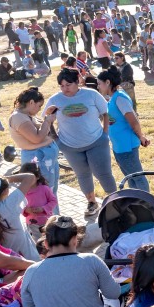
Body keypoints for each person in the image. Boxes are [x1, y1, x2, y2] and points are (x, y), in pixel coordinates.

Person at [21, 215, 122, 307]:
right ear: (75, 240)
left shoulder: (31, 271)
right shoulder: (92, 260)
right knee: (112, 299)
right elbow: (114, 293)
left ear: (45, 244)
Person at [45, 68, 117, 217]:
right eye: (62, 86)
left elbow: (105, 113)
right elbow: (46, 120)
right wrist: (56, 138)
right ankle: (92, 202)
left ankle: (115, 200)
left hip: (96, 141)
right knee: (82, 174)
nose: (65, 89)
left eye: (68, 85)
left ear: (77, 81)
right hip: (69, 146)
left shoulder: (91, 94)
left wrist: (105, 134)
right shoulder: (55, 100)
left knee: (103, 173)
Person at [97, 66, 151, 192]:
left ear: (108, 82)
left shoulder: (120, 98)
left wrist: (141, 136)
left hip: (127, 146)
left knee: (137, 177)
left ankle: (146, 203)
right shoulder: (111, 99)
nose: (98, 87)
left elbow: (133, 120)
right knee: (130, 177)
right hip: (119, 146)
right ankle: (137, 201)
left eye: (99, 83)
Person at [8, 87, 61, 196]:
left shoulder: (27, 115)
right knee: (43, 194)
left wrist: (47, 116)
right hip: (38, 160)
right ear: (31, 102)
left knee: (50, 193)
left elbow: (44, 130)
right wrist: (47, 121)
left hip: (45, 160)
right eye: (39, 106)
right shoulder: (18, 117)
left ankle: (52, 212)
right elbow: (36, 138)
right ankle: (48, 213)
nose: (39, 109)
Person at [0, 174, 40, 261]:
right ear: (5, 191)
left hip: (9, 262)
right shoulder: (9, 204)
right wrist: (6, 178)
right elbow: (30, 177)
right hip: (28, 259)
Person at [18, 161, 58, 229]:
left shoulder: (44, 189)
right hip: (31, 223)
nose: (27, 180)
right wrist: (26, 210)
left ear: (37, 177)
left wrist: (43, 208)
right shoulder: (22, 191)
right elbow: (18, 206)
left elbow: (53, 201)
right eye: (24, 178)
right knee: (35, 239)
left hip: (46, 222)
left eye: (30, 178)